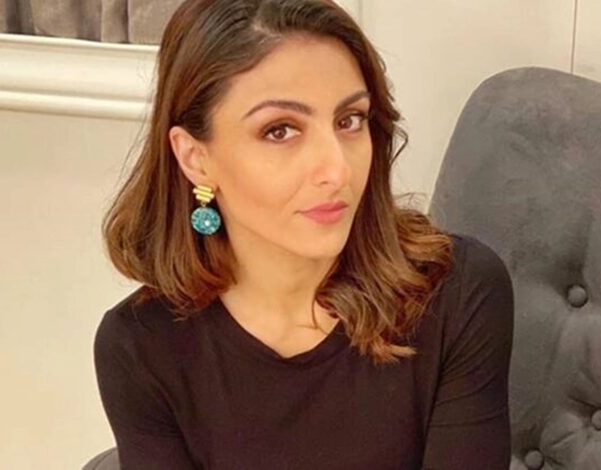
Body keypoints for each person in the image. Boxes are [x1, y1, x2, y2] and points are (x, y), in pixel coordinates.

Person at [93, 0, 515, 468]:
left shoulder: (458, 294)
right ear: (196, 157)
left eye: (349, 120)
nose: (336, 170)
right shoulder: (140, 347)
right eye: (280, 131)